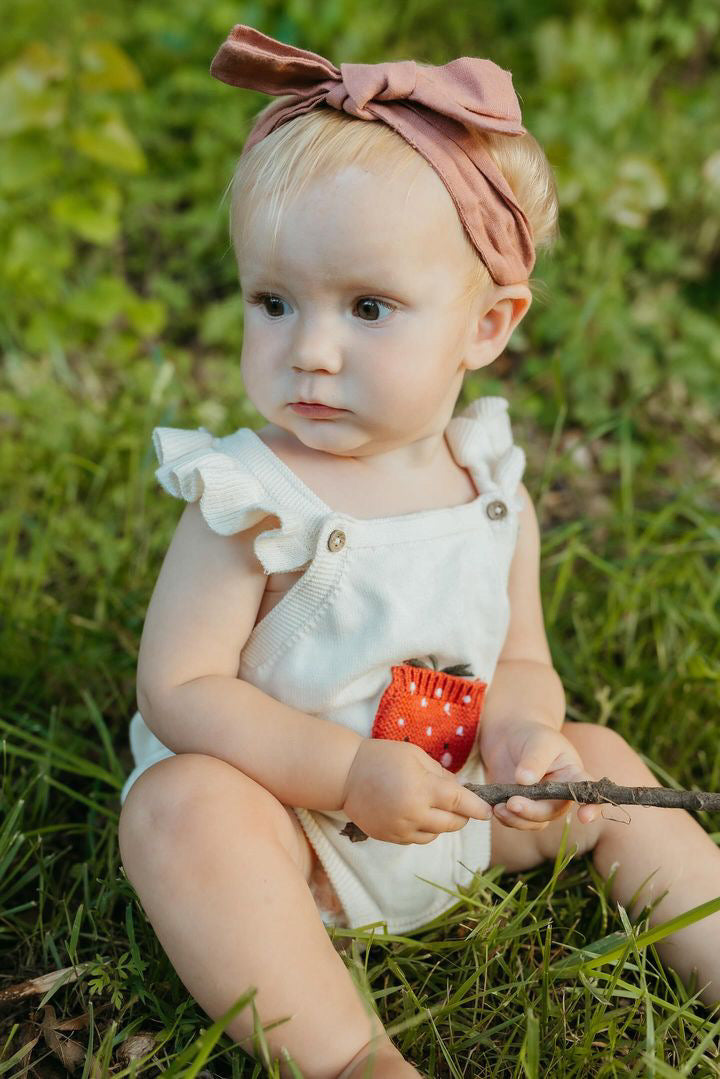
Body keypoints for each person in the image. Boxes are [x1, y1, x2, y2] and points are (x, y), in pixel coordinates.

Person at [116, 24, 720, 1079]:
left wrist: (526, 741)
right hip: (290, 832)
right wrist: (346, 773)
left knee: (602, 754)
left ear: (487, 325)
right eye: (274, 301)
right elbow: (180, 687)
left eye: (369, 308)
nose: (309, 346)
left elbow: (520, 660)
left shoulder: (490, 487)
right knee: (181, 811)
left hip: (448, 807)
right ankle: (351, 1052)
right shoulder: (252, 499)